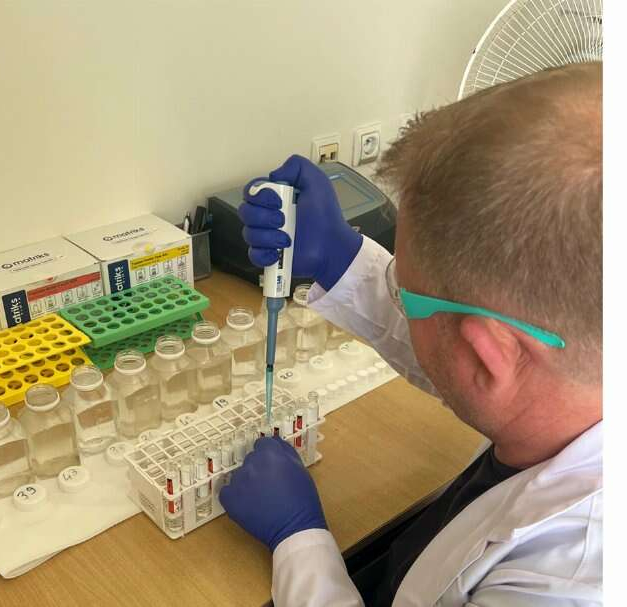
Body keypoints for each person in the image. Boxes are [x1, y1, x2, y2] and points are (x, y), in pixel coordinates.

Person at [219, 62, 602, 606]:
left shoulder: (565, 585)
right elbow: (470, 355)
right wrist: (340, 258)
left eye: (402, 292)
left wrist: (299, 541)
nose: (396, 297)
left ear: (486, 356)